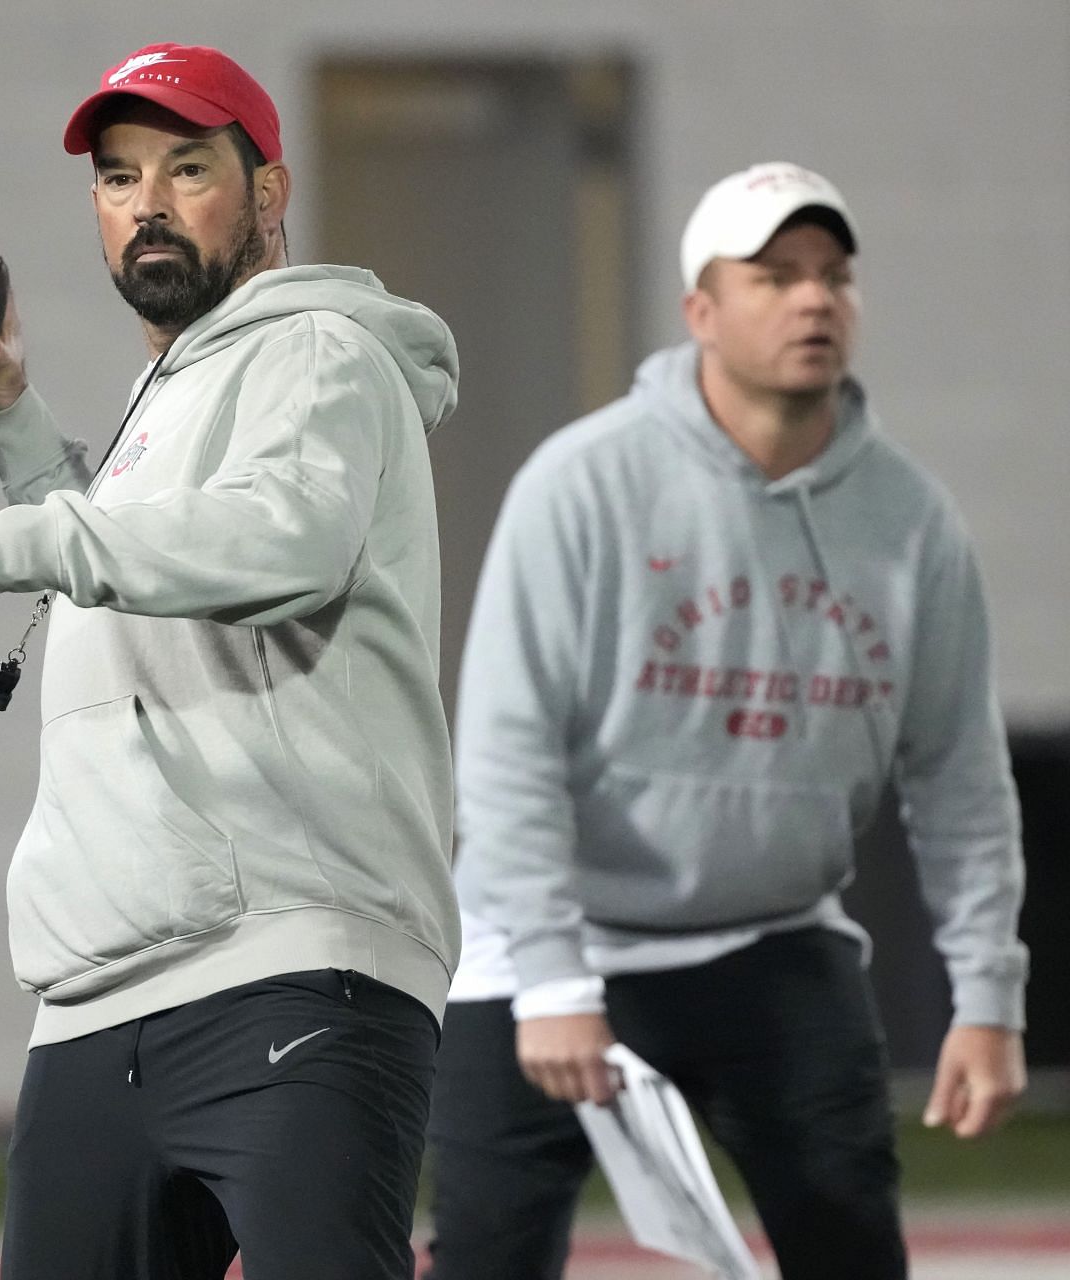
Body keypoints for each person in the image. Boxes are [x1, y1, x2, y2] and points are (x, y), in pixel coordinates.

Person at [0, 41, 459, 1280]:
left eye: (187, 168)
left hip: (294, 963)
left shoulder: (320, 353)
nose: (145, 203)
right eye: (116, 178)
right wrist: (11, 427)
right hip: (102, 992)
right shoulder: (173, 388)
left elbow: (280, 542)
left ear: (268, 194)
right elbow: (133, 565)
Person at [423, 162, 1028, 1280]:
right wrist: (556, 978)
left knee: (852, 1250)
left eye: (834, 276)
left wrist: (987, 996)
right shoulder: (584, 483)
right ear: (701, 309)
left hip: (773, 938)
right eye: (777, 276)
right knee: (486, 1260)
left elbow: (959, 779)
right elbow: (510, 751)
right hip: (549, 949)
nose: (815, 300)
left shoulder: (911, 519)